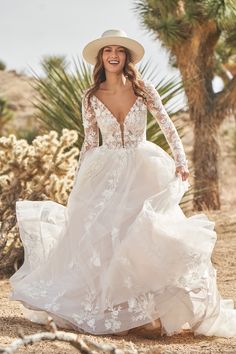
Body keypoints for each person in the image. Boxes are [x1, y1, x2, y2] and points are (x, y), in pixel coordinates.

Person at [9, 29, 236, 339]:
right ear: (101, 58)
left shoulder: (144, 90)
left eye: (119, 50)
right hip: (104, 168)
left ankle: (148, 313)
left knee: (141, 234)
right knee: (103, 239)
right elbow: (90, 141)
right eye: (107, 50)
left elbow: (167, 126)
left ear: (127, 57)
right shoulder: (90, 96)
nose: (113, 54)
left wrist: (181, 161)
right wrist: (80, 179)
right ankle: (115, 310)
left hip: (143, 166)